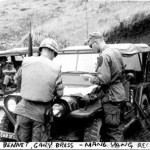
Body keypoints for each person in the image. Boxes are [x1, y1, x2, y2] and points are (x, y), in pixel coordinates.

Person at [13, 38, 64, 142]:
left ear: (41, 50)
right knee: (38, 145)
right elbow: (59, 94)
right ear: (53, 53)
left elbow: (16, 81)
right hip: (41, 114)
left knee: (21, 144)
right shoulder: (56, 67)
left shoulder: (26, 61)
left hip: (22, 110)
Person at [83, 32, 126, 142]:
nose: (91, 48)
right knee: (117, 127)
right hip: (119, 93)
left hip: (111, 97)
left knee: (112, 131)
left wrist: (89, 78)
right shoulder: (115, 52)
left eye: (91, 45)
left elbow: (104, 80)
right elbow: (122, 71)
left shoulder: (103, 56)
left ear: (96, 41)